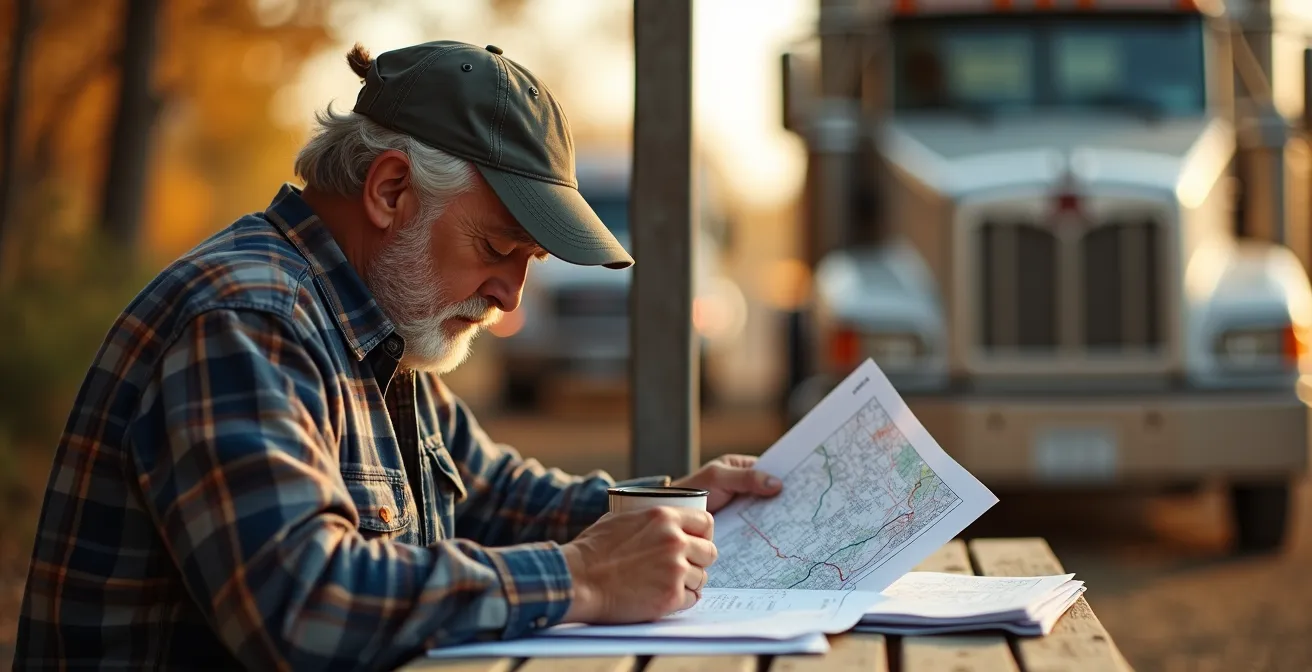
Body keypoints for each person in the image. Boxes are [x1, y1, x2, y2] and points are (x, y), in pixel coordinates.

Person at [13, 40, 782, 670]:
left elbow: (494, 496)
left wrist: (670, 507)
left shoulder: (373, 326)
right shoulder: (246, 320)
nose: (510, 296)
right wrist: (585, 576)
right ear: (389, 191)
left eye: (530, 263)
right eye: (496, 247)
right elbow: (304, 606)